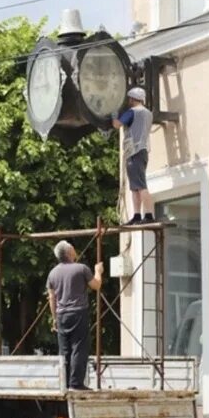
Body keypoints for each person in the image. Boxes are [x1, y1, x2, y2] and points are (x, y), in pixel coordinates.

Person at [46, 240, 103, 390]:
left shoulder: (52, 273)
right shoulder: (81, 268)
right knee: (79, 347)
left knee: (64, 350)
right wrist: (98, 271)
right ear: (69, 252)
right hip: (78, 312)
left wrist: (54, 318)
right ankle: (76, 383)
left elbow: (52, 297)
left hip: (61, 314)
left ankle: (64, 383)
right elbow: (96, 285)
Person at [112, 86, 155, 225]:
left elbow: (117, 125)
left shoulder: (132, 112)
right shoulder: (148, 113)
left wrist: (113, 114)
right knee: (135, 186)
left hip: (134, 151)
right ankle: (137, 215)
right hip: (142, 150)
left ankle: (148, 215)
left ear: (131, 98)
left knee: (140, 185)